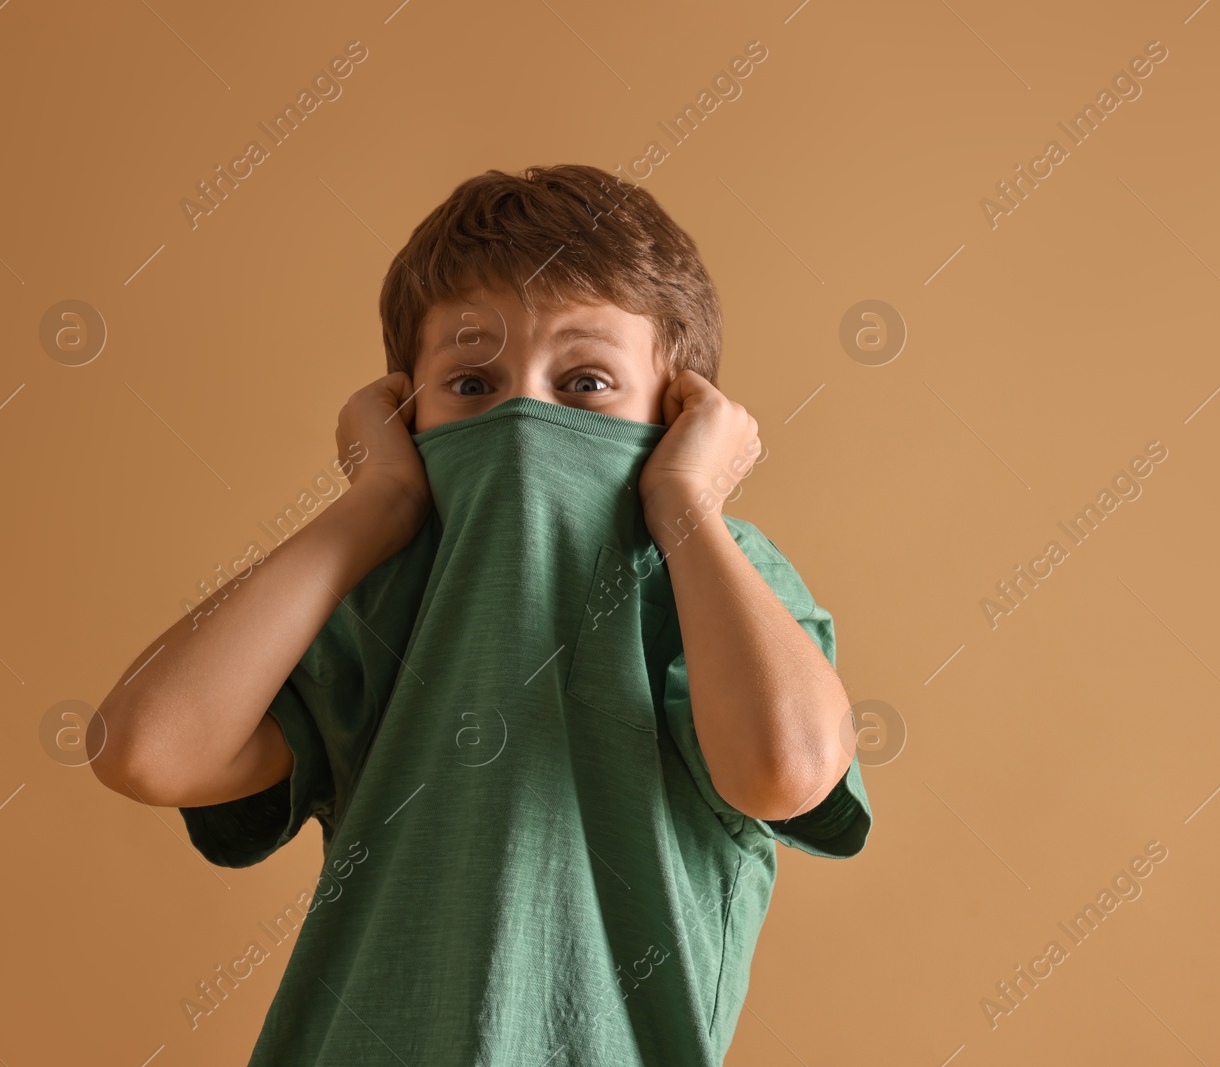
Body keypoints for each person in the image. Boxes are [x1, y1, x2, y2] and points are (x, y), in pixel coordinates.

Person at [90, 163, 873, 1065]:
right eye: (472, 385)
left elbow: (790, 768)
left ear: (681, 412)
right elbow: (144, 747)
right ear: (405, 413)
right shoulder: (378, 597)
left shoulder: (709, 583)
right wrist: (374, 504)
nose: (524, 422)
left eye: (584, 384)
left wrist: (692, 503)